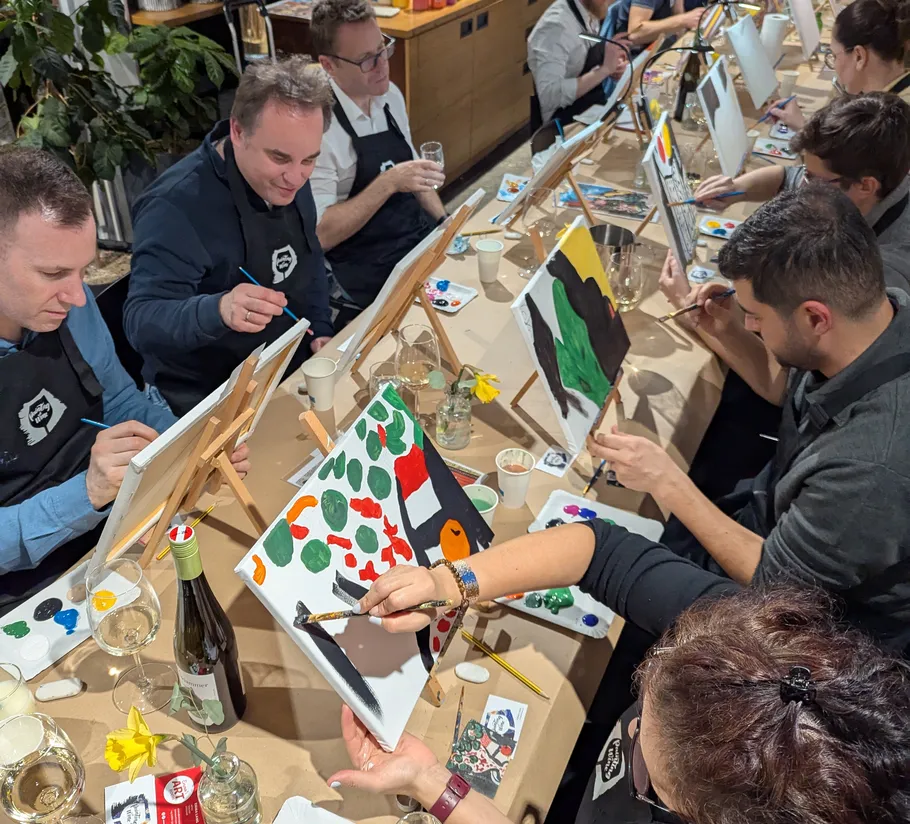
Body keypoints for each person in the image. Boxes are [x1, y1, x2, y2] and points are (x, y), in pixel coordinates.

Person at [329, 586, 910, 824]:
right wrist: (432, 779)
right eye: (640, 716)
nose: (629, 736)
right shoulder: (756, 670)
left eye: (645, 776)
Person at [629, 182, 910, 652]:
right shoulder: (877, 312)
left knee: (621, 561)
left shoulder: (873, 465)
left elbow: (772, 582)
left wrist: (667, 482)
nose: (750, 324)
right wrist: (724, 330)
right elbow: (792, 391)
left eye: (755, 315)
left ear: (815, 318)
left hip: (817, 633)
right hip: (773, 513)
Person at [0, 147, 249, 615]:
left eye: (83, 271)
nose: (77, 297)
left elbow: (117, 400)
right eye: (53, 274)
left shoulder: (67, 304)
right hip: (27, 593)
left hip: (115, 534)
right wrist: (86, 494)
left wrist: (192, 442)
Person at [124, 57, 335, 416]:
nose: (296, 178)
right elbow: (140, 321)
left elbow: (309, 258)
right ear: (237, 131)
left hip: (285, 370)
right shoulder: (175, 207)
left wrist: (322, 330)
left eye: (309, 160)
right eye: (279, 157)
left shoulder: (290, 177)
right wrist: (218, 309)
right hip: (206, 397)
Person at [309, 0, 446, 320]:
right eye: (367, 60)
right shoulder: (318, 127)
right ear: (328, 64)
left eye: (384, 48)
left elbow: (416, 175)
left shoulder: (390, 96)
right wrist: (388, 183)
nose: (382, 65)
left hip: (414, 247)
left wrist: (446, 224)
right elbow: (320, 235)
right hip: (362, 274)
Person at [694, 93, 910, 290]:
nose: (805, 187)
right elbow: (786, 177)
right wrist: (737, 190)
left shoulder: (889, 268)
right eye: (808, 173)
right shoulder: (868, 176)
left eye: (813, 179)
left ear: (866, 186)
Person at [767, 0, 910, 130]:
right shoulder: (893, 100)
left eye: (834, 56)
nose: (834, 66)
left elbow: (837, 158)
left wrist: (804, 131)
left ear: (859, 56)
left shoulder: (888, 123)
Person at [526, 0, 629, 129]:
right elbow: (549, 96)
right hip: (562, 127)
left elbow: (585, 57)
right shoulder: (555, 27)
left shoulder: (591, 8)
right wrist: (604, 70)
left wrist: (613, 64)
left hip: (592, 110)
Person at [601, 0, 705, 47]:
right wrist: (684, 20)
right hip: (634, 57)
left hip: (659, 46)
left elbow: (677, 12)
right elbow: (635, 33)